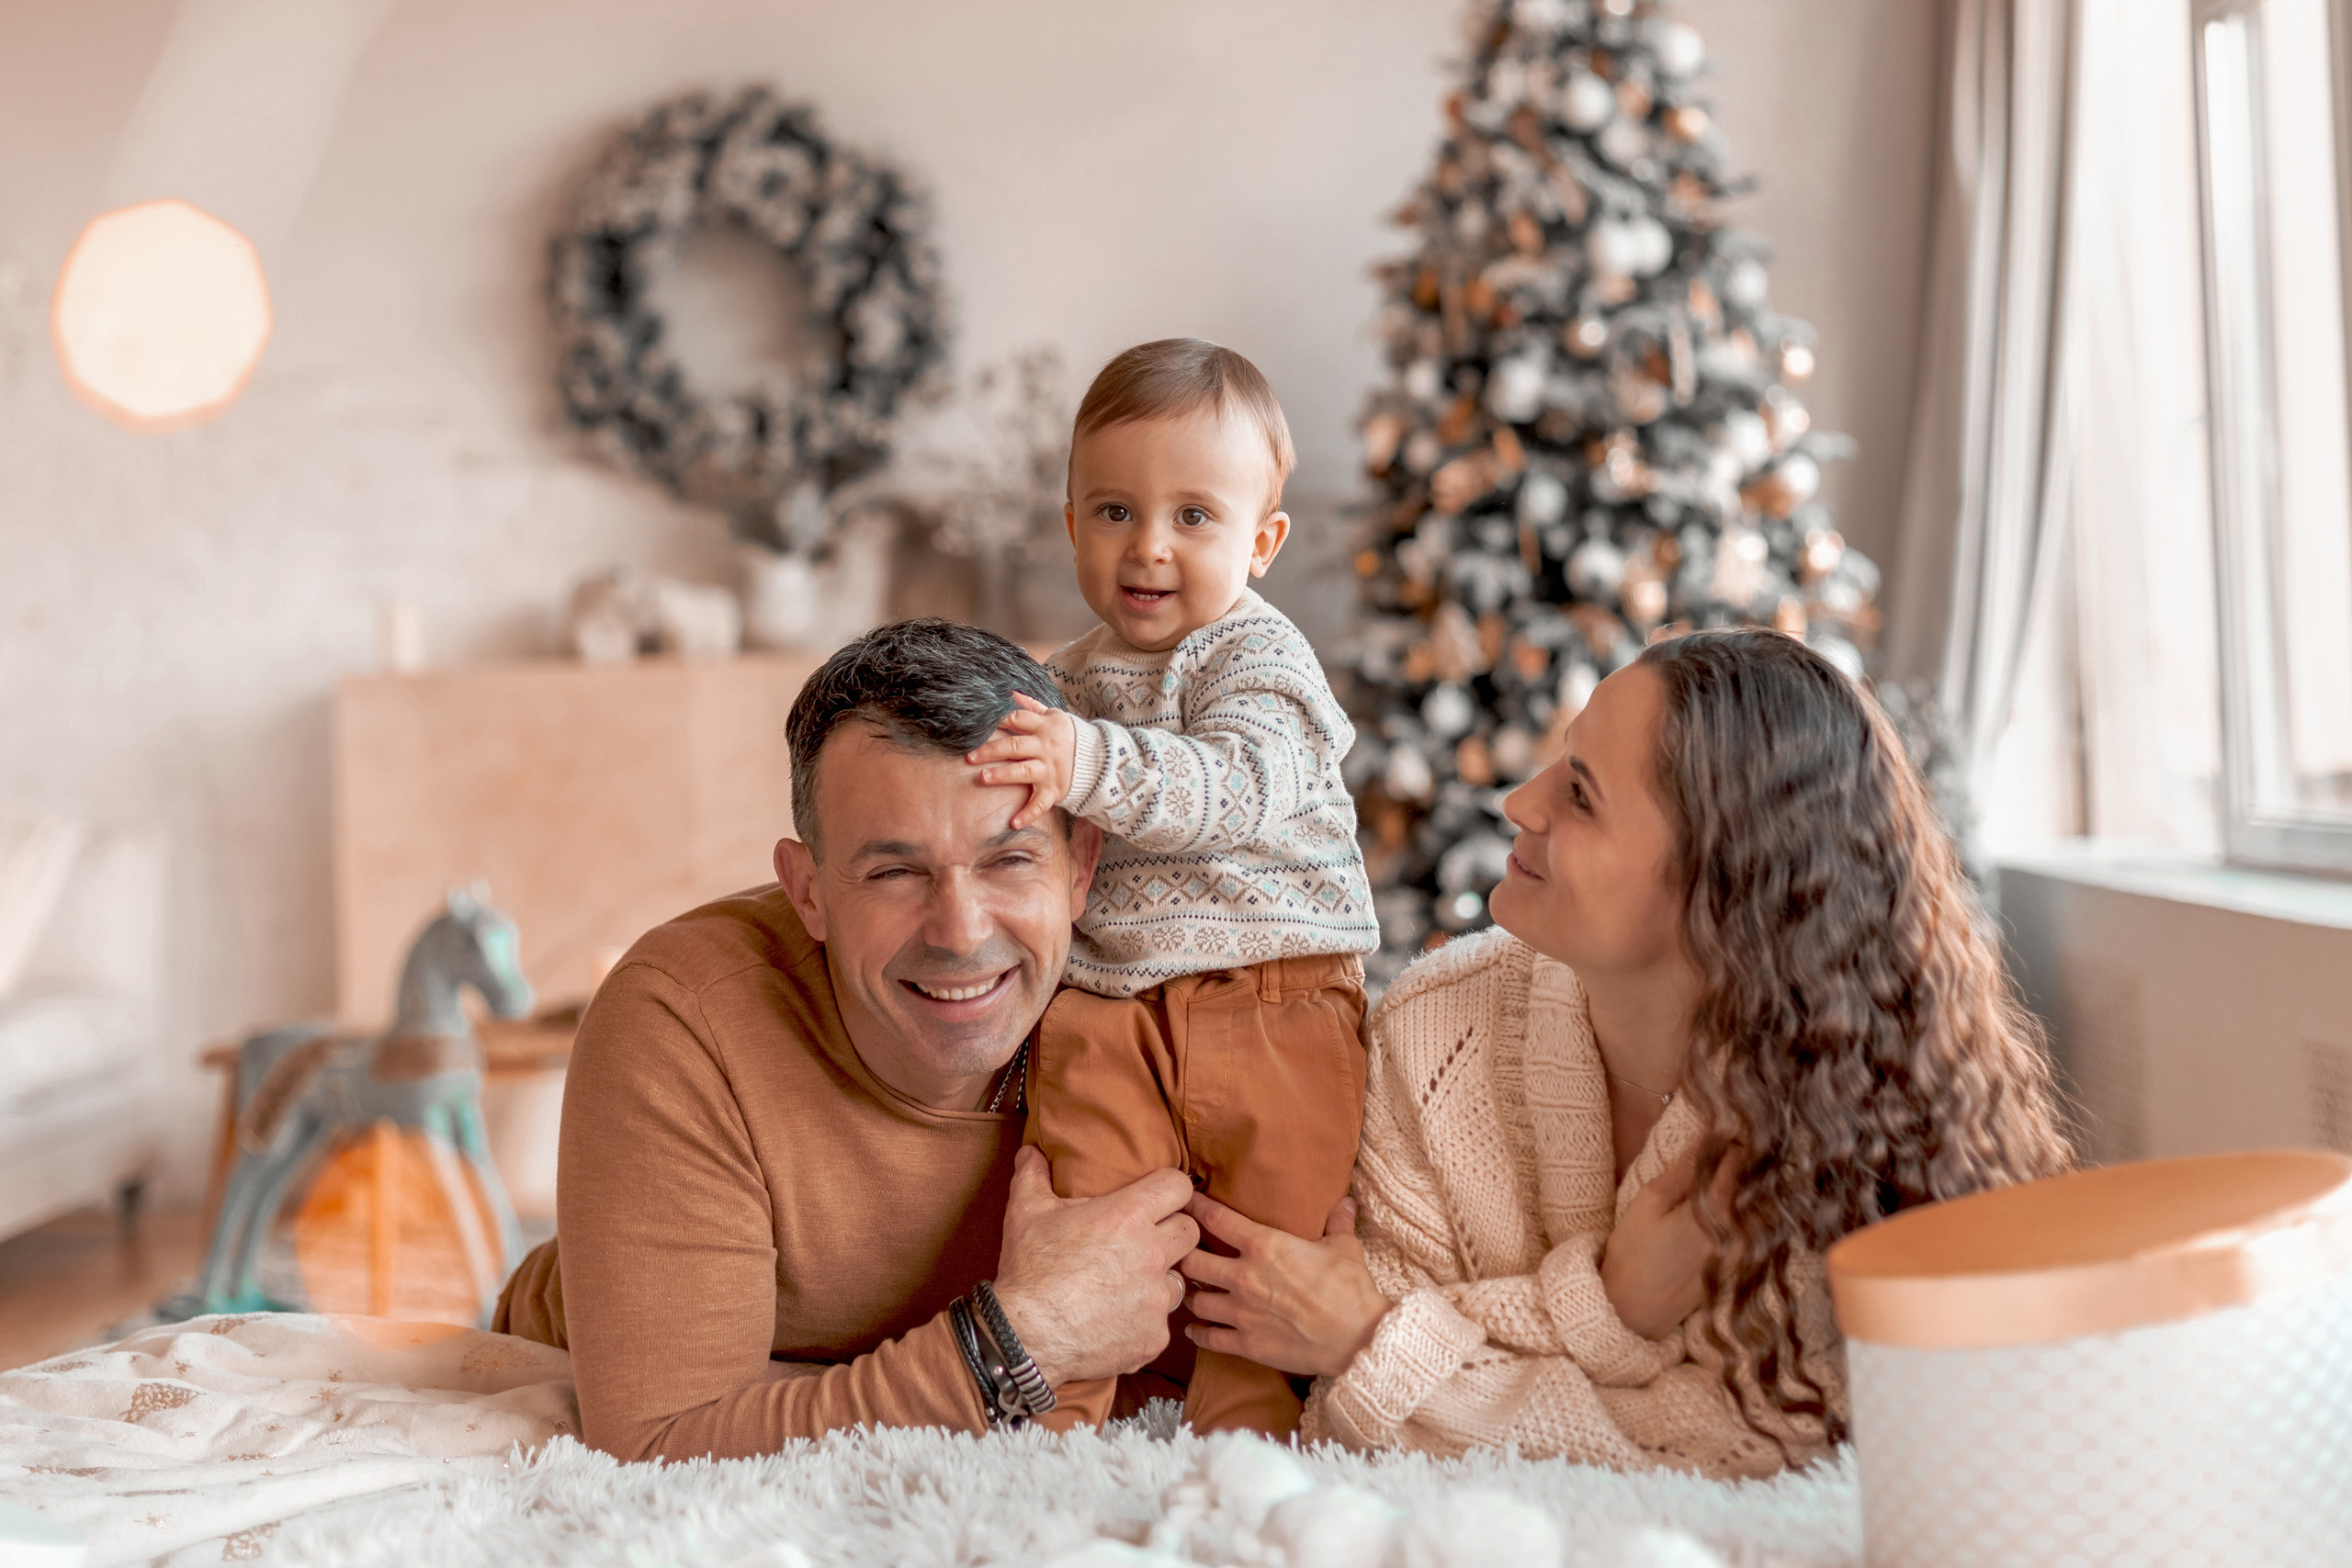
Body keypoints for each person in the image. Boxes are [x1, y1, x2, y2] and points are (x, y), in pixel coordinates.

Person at [1174, 628, 2075, 1475]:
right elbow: (1347, 1414)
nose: (1517, 801)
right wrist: (1612, 1310)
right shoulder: (1433, 1032)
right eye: (1559, 764)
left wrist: (1378, 1341)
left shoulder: (1842, 1109)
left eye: (1580, 795)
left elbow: (1757, 1446)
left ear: (1721, 891)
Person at [492, 620, 1204, 1462]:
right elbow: (660, 1441)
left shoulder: (1169, 1005)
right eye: (896, 872)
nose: (961, 931)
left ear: (1081, 864)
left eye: (1009, 859)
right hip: (589, 1376)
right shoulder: (682, 1018)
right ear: (807, 892)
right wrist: (1020, 1341)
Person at [965, 339, 1378, 1437]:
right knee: (1085, 1205)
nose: (1147, 547)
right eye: (1113, 512)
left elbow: (1231, 790)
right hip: (1108, 1004)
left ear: (1262, 540)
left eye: (1193, 517)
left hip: (1273, 1000)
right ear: (1069, 524)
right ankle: (1063, 1405)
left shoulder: (1259, 662)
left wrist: (1083, 761)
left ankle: (1249, 1427)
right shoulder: (1062, 679)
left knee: (1269, 1235)